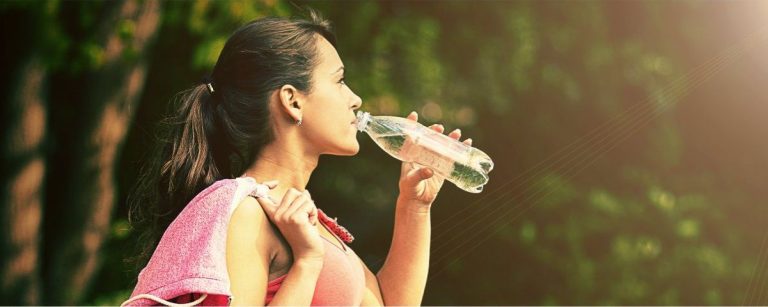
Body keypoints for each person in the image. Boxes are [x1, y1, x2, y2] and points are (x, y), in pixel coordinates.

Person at [126, 10, 472, 306]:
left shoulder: (304, 220)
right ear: (292, 101)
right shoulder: (247, 212)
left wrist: (414, 207)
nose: (355, 99)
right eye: (339, 81)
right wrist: (306, 263)